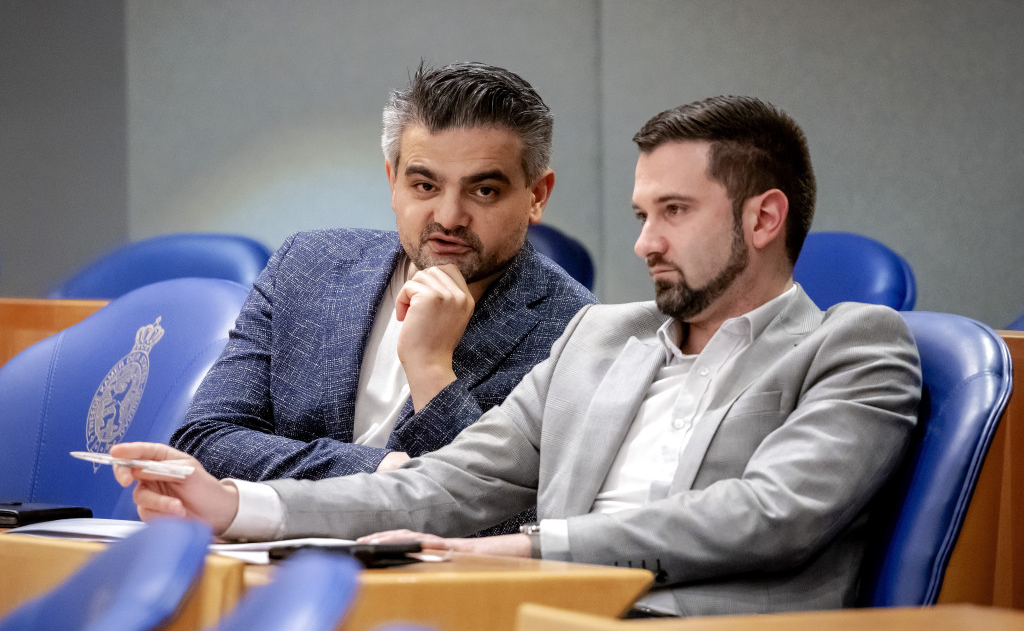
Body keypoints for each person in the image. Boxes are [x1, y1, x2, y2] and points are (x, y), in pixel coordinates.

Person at [114, 95, 921, 617]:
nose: (644, 242)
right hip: (534, 608)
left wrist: (532, 547)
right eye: (642, 212)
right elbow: (453, 482)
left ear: (764, 217)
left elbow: (768, 516)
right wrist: (239, 506)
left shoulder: (854, 345)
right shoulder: (602, 336)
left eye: (674, 211)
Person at [168, 61, 595, 496]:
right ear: (393, 182)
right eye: (425, 186)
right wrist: (382, 471)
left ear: (536, 196)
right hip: (269, 553)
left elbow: (512, 511)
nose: (448, 218)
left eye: (483, 190)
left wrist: (431, 371)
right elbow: (203, 443)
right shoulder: (306, 266)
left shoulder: (578, 333)